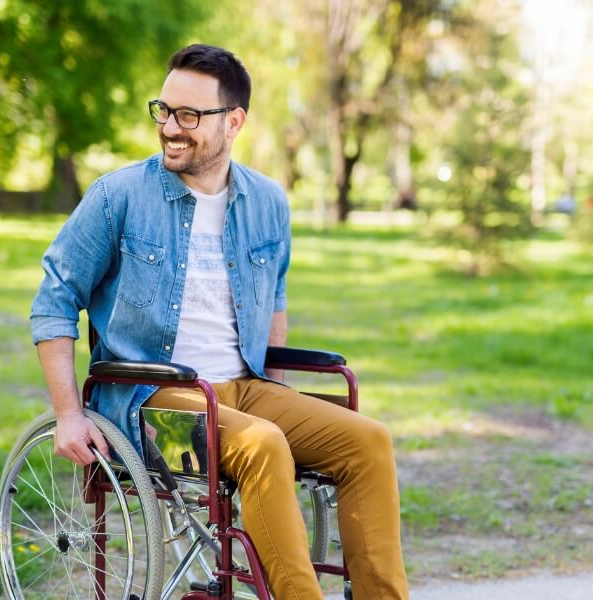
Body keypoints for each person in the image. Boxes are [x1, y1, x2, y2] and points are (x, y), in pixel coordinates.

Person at [31, 44, 408, 600]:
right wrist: (68, 414)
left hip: (244, 389)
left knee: (369, 442)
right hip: (151, 402)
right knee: (262, 445)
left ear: (234, 122)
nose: (170, 128)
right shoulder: (119, 197)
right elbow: (54, 300)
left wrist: (280, 398)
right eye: (164, 110)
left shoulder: (267, 203)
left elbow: (273, 299)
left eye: (189, 116)